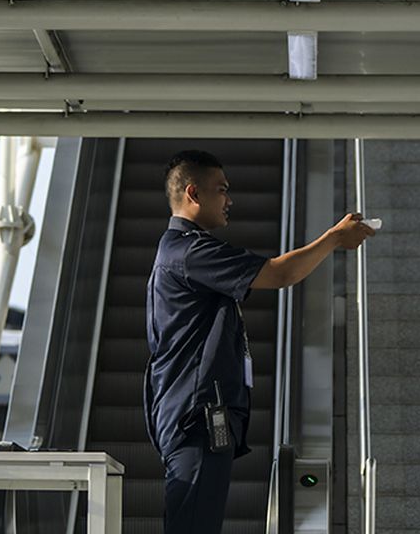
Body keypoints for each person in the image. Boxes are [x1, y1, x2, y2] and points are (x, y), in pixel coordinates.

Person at [144, 149, 375, 534]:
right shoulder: (190, 252)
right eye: (221, 190)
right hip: (196, 416)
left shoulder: (178, 251)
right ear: (193, 193)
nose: (229, 200)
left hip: (190, 414)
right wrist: (333, 238)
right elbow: (278, 274)